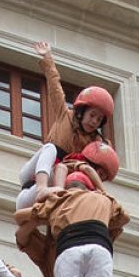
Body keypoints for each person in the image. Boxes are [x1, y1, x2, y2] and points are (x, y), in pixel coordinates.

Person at [15, 41, 114, 211]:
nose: (94, 122)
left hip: (41, 192)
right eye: (92, 115)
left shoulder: (95, 142)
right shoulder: (65, 115)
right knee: (50, 149)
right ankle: (41, 188)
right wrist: (47, 58)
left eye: (99, 120)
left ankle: (53, 197)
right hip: (30, 178)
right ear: (82, 111)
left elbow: (104, 159)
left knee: (68, 177)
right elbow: (55, 88)